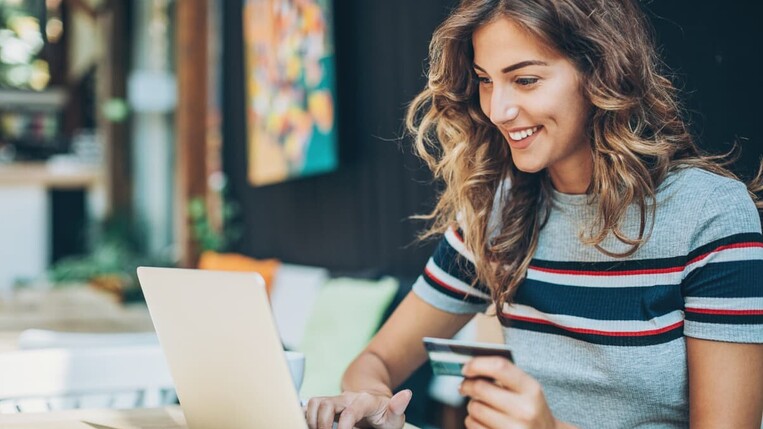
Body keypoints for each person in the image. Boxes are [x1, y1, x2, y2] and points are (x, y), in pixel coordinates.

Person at [305, 0, 763, 427]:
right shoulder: (495, 216)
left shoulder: (708, 215)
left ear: (600, 72)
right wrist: (370, 399)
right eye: (486, 80)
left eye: (525, 79)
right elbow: (374, 362)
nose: (498, 110)